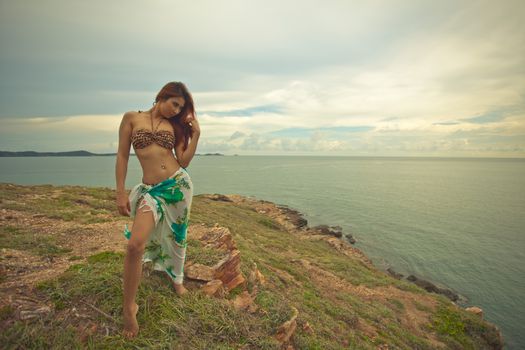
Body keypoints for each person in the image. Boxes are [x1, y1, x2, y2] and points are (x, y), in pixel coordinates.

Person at [115, 81, 201, 339]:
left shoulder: (174, 125)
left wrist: (196, 135)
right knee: (134, 245)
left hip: (178, 186)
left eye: (181, 108)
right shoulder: (131, 118)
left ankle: (177, 280)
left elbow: (183, 161)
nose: (176, 111)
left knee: (177, 235)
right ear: (163, 95)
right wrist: (120, 191)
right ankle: (129, 308)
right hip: (152, 191)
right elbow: (122, 155)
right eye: (175, 104)